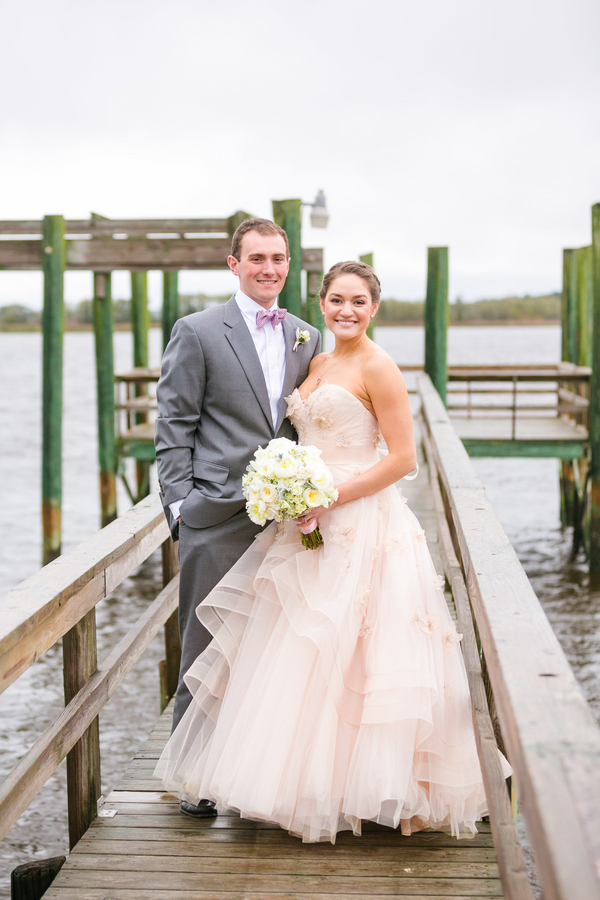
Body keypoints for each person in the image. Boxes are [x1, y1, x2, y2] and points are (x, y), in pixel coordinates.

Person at [155, 260, 510, 841]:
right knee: (300, 648)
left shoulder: (380, 367)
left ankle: (374, 786)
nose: (347, 310)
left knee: (361, 650)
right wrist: (290, 486)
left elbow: (402, 459)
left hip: (359, 519)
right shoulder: (316, 359)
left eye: (359, 302)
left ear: (375, 308)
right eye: (337, 300)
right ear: (321, 304)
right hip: (305, 522)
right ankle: (300, 784)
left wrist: (327, 495)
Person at [155, 218, 322, 818]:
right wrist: (179, 506)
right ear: (234, 264)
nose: (269, 269)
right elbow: (174, 424)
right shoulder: (197, 332)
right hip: (215, 515)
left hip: (285, 521)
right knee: (203, 649)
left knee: (274, 651)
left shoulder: (307, 335)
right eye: (256, 259)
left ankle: (257, 778)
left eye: (277, 258)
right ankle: (191, 778)